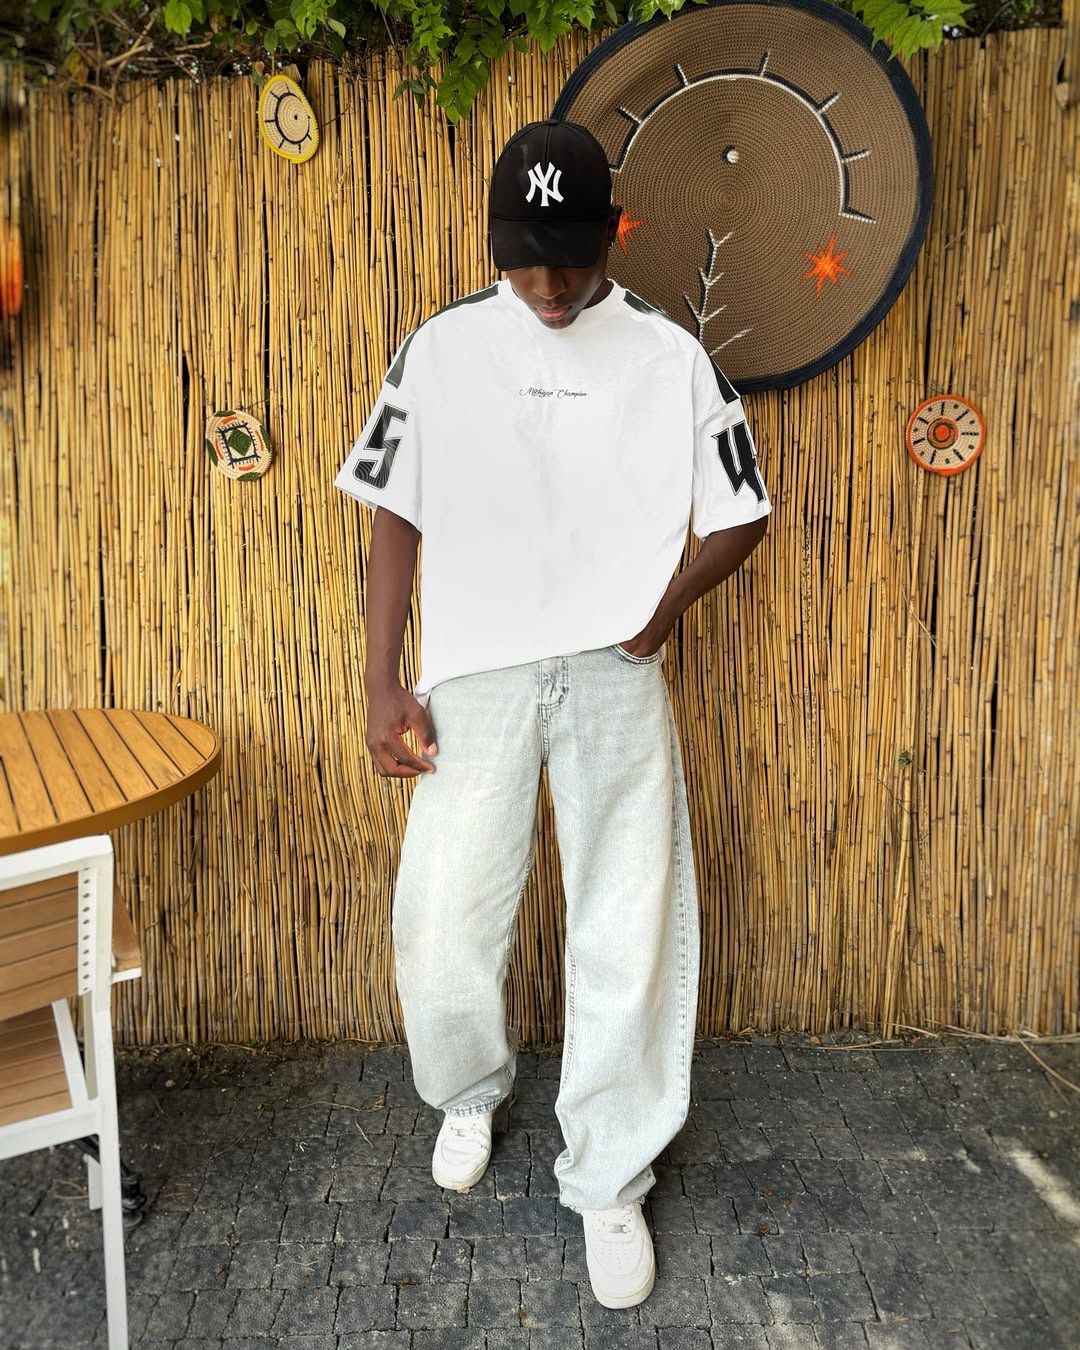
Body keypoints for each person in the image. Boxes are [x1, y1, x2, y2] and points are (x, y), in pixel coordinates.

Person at [335, 118, 772, 1310]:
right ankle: (468, 1094)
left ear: (608, 236)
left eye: (568, 261)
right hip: (474, 671)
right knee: (443, 915)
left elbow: (743, 511)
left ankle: (610, 1171)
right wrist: (382, 678)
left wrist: (663, 610)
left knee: (626, 923)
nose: (547, 286)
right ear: (496, 243)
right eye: (524, 263)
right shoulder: (441, 347)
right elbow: (394, 512)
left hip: (612, 672)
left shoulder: (669, 354)